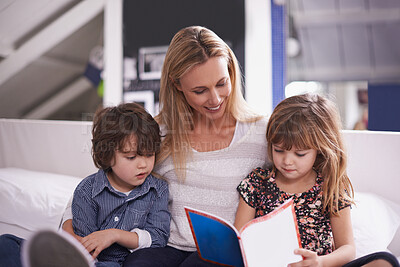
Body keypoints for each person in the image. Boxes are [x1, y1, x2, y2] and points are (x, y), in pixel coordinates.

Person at [120, 25, 269, 266]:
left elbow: (307, 177)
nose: (216, 99)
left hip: (226, 253)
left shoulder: (262, 132)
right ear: (177, 85)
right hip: (167, 246)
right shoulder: (157, 132)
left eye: (222, 83)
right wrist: (71, 222)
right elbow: (108, 181)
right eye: (200, 91)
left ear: (231, 72)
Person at [234, 93, 399, 267]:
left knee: (384, 261)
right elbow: (238, 239)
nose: (287, 161)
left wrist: (320, 262)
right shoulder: (257, 182)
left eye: (300, 154)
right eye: (279, 150)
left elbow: (348, 249)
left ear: (318, 150)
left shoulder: (330, 187)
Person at [0, 102, 170, 267]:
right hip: (82, 257)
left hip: (112, 263)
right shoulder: (87, 190)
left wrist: (115, 235)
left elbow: (157, 237)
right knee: (6, 243)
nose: (143, 164)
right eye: (131, 157)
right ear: (107, 156)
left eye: (149, 154)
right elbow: (83, 243)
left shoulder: (158, 190)